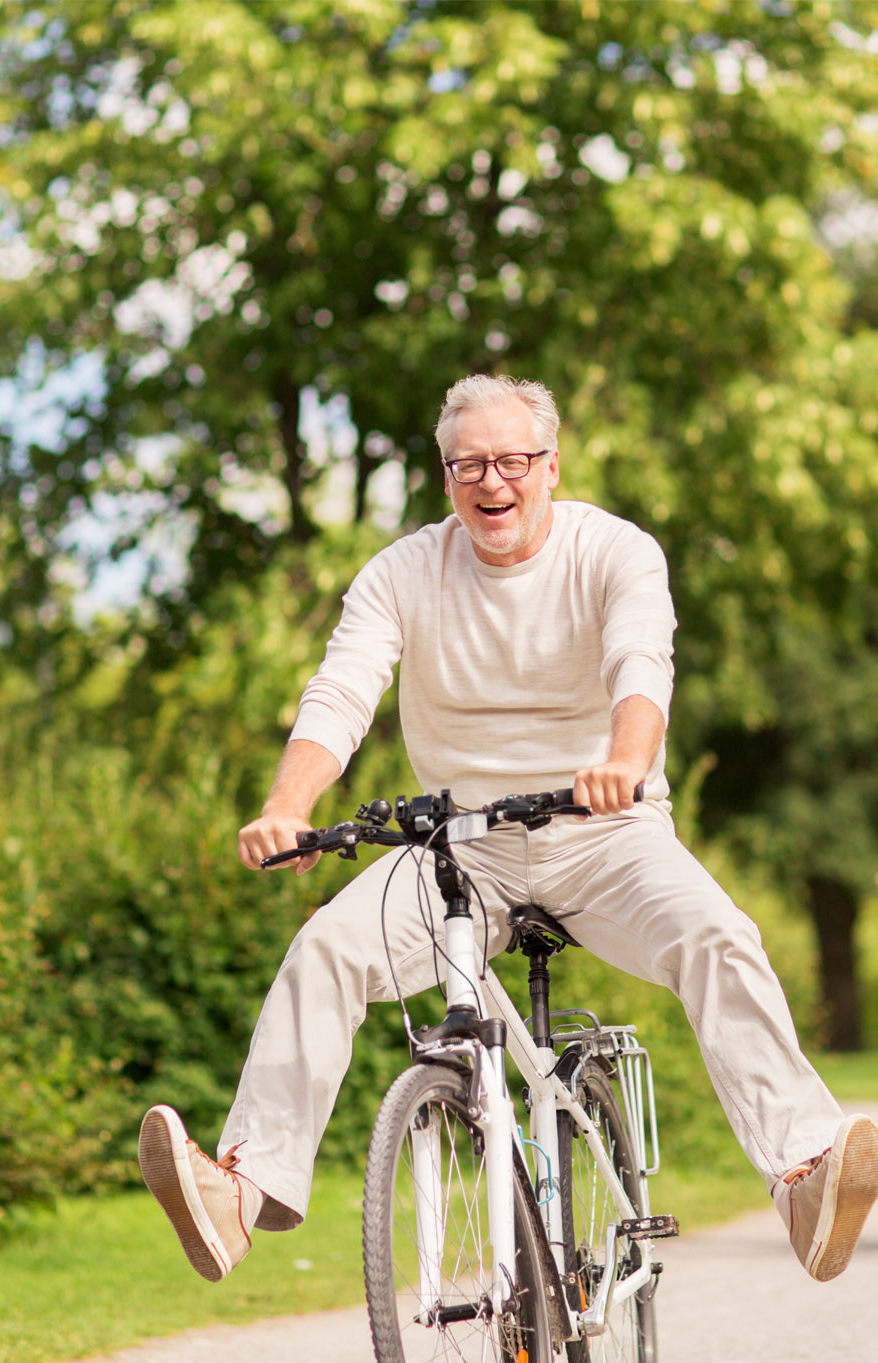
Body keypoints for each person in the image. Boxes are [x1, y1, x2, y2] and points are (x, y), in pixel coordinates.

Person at [138, 373, 878, 1287]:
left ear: (550, 467)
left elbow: (642, 661)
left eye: (513, 461)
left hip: (605, 831)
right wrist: (288, 805)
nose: (493, 482)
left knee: (718, 934)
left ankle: (804, 1174)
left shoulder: (615, 551)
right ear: (446, 477)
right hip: (460, 847)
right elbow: (342, 690)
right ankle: (240, 1192)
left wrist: (625, 758)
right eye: (469, 465)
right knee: (325, 947)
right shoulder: (404, 570)